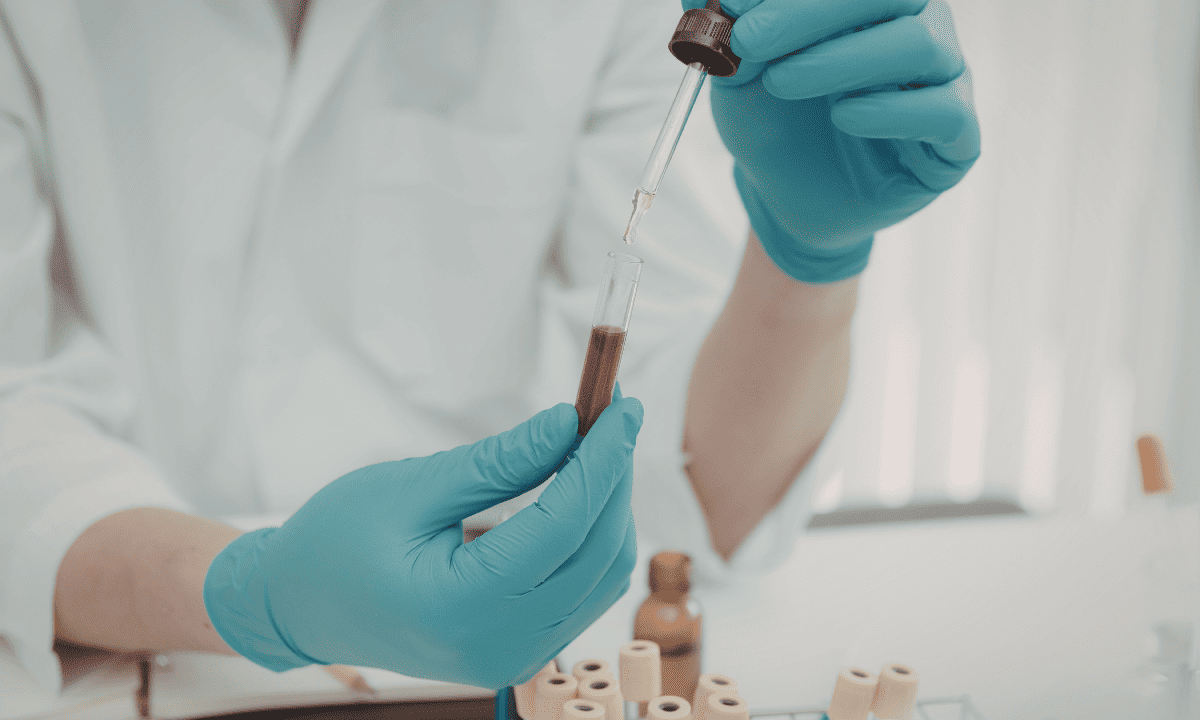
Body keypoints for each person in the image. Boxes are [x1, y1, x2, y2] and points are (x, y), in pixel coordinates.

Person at [0, 0, 978, 692]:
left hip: (500, 661)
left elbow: (696, 482)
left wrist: (806, 260)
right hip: (124, 655)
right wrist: (246, 591)